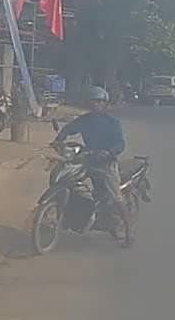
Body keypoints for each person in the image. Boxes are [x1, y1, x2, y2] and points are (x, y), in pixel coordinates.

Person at [55, 87, 134, 247]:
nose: (95, 104)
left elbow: (120, 143)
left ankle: (129, 233)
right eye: (92, 101)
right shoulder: (84, 120)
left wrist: (109, 152)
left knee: (116, 197)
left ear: (105, 104)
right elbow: (68, 129)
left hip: (106, 164)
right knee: (66, 179)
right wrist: (59, 139)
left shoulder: (112, 123)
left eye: (99, 102)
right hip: (88, 161)